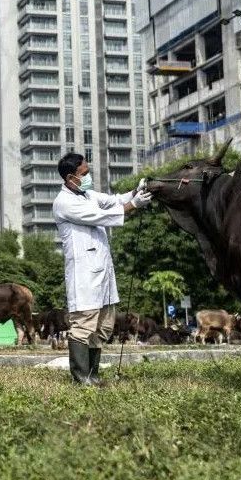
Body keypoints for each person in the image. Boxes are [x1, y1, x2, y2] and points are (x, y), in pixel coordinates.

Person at [52, 152, 152, 385]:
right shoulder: (64, 203)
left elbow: (113, 200)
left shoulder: (86, 194)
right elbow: (103, 215)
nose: (88, 177)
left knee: (103, 327)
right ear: (70, 178)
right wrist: (134, 206)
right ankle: (81, 378)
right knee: (83, 326)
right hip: (84, 276)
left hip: (103, 275)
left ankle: (93, 376)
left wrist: (136, 192)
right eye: (84, 174)